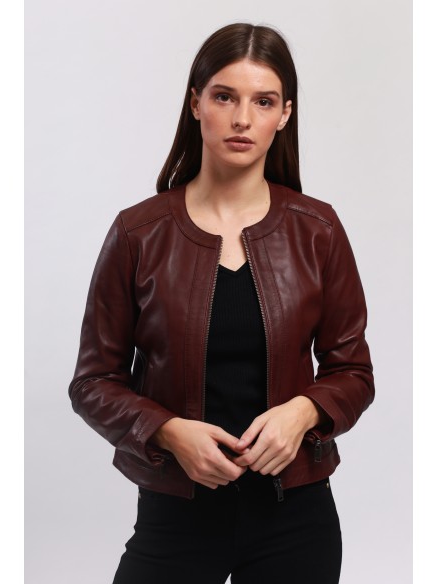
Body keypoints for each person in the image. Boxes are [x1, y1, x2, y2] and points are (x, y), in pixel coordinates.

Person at [69, 22, 374, 584]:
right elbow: (92, 382)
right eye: (224, 97)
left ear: (285, 114)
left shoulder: (318, 230)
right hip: (174, 517)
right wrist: (166, 430)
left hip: (295, 518)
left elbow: (353, 371)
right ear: (196, 104)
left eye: (264, 101)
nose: (242, 119)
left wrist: (303, 412)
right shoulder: (139, 233)